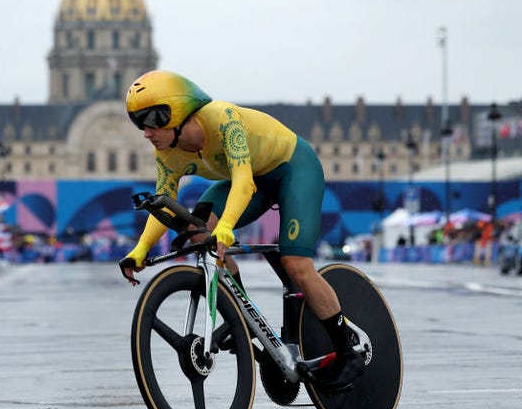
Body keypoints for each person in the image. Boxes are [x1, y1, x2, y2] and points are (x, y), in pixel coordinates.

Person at [120, 70, 364, 391]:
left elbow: (243, 182)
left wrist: (225, 228)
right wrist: (140, 250)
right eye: (139, 122)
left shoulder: (224, 119)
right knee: (197, 231)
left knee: (295, 264)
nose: (145, 132)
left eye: (151, 120)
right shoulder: (166, 152)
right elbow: (166, 203)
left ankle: (349, 349)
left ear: (176, 112)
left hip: (293, 168)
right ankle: (244, 319)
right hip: (256, 179)